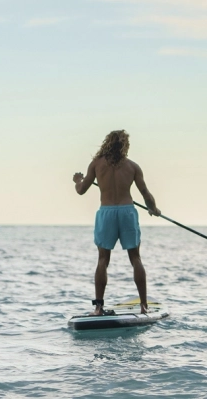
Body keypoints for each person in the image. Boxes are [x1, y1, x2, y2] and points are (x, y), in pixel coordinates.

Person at [73, 130, 161, 315]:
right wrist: (154, 208)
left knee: (103, 260)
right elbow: (145, 193)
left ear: (107, 143)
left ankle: (98, 308)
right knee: (135, 258)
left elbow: (81, 190)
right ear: (125, 145)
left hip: (107, 212)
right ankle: (144, 306)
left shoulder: (96, 164)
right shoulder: (132, 167)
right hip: (127, 211)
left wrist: (77, 180)